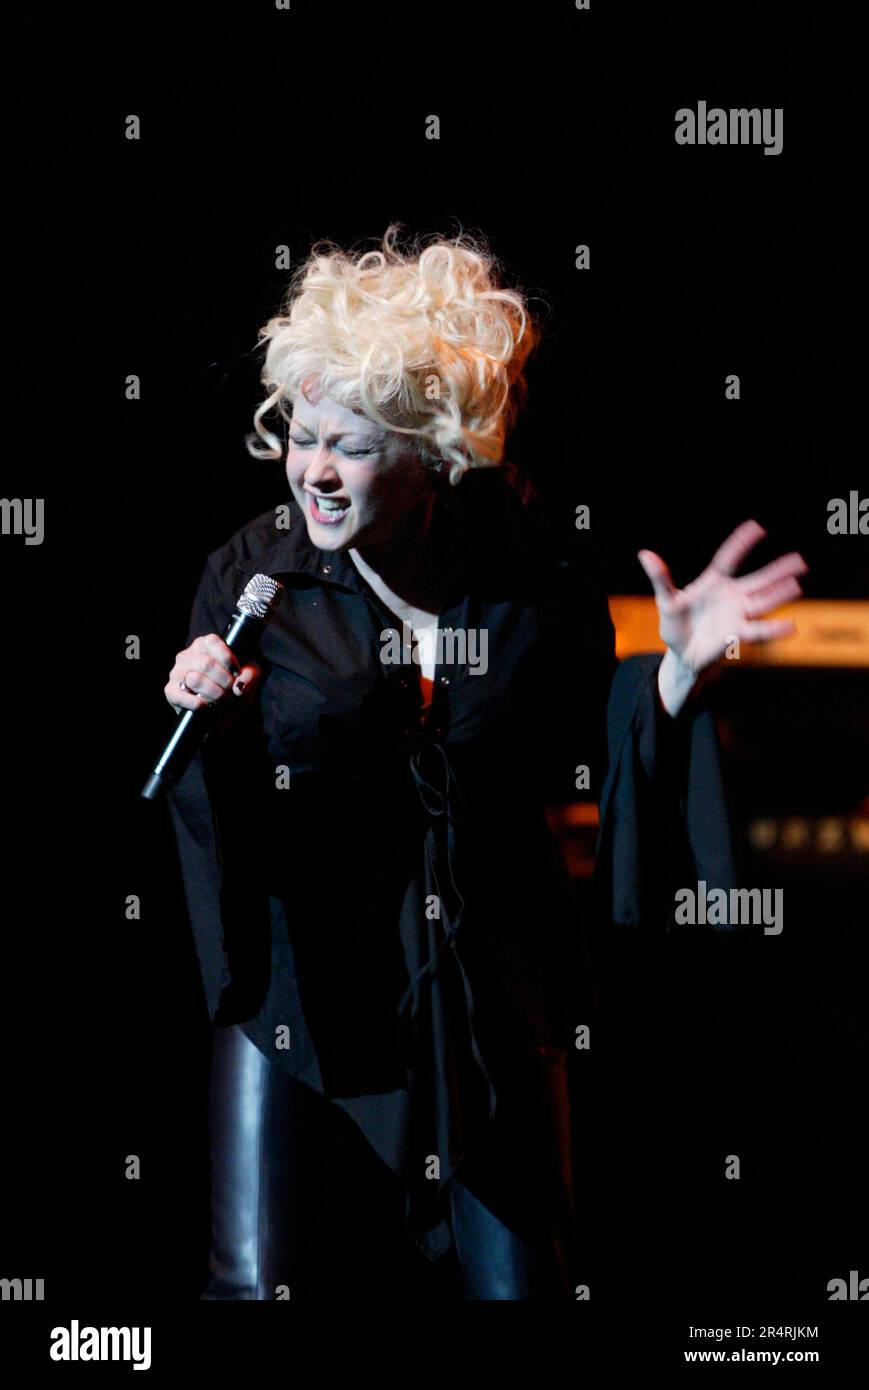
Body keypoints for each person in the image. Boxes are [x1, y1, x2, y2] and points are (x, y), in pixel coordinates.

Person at [163, 223, 808, 1300]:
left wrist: (676, 673)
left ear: (429, 452)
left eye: (352, 445)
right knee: (258, 1282)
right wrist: (205, 712)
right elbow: (209, 793)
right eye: (301, 434)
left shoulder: (524, 573)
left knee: (523, 1284)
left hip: (485, 987)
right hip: (305, 990)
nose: (314, 470)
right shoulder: (253, 576)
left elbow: (582, 739)